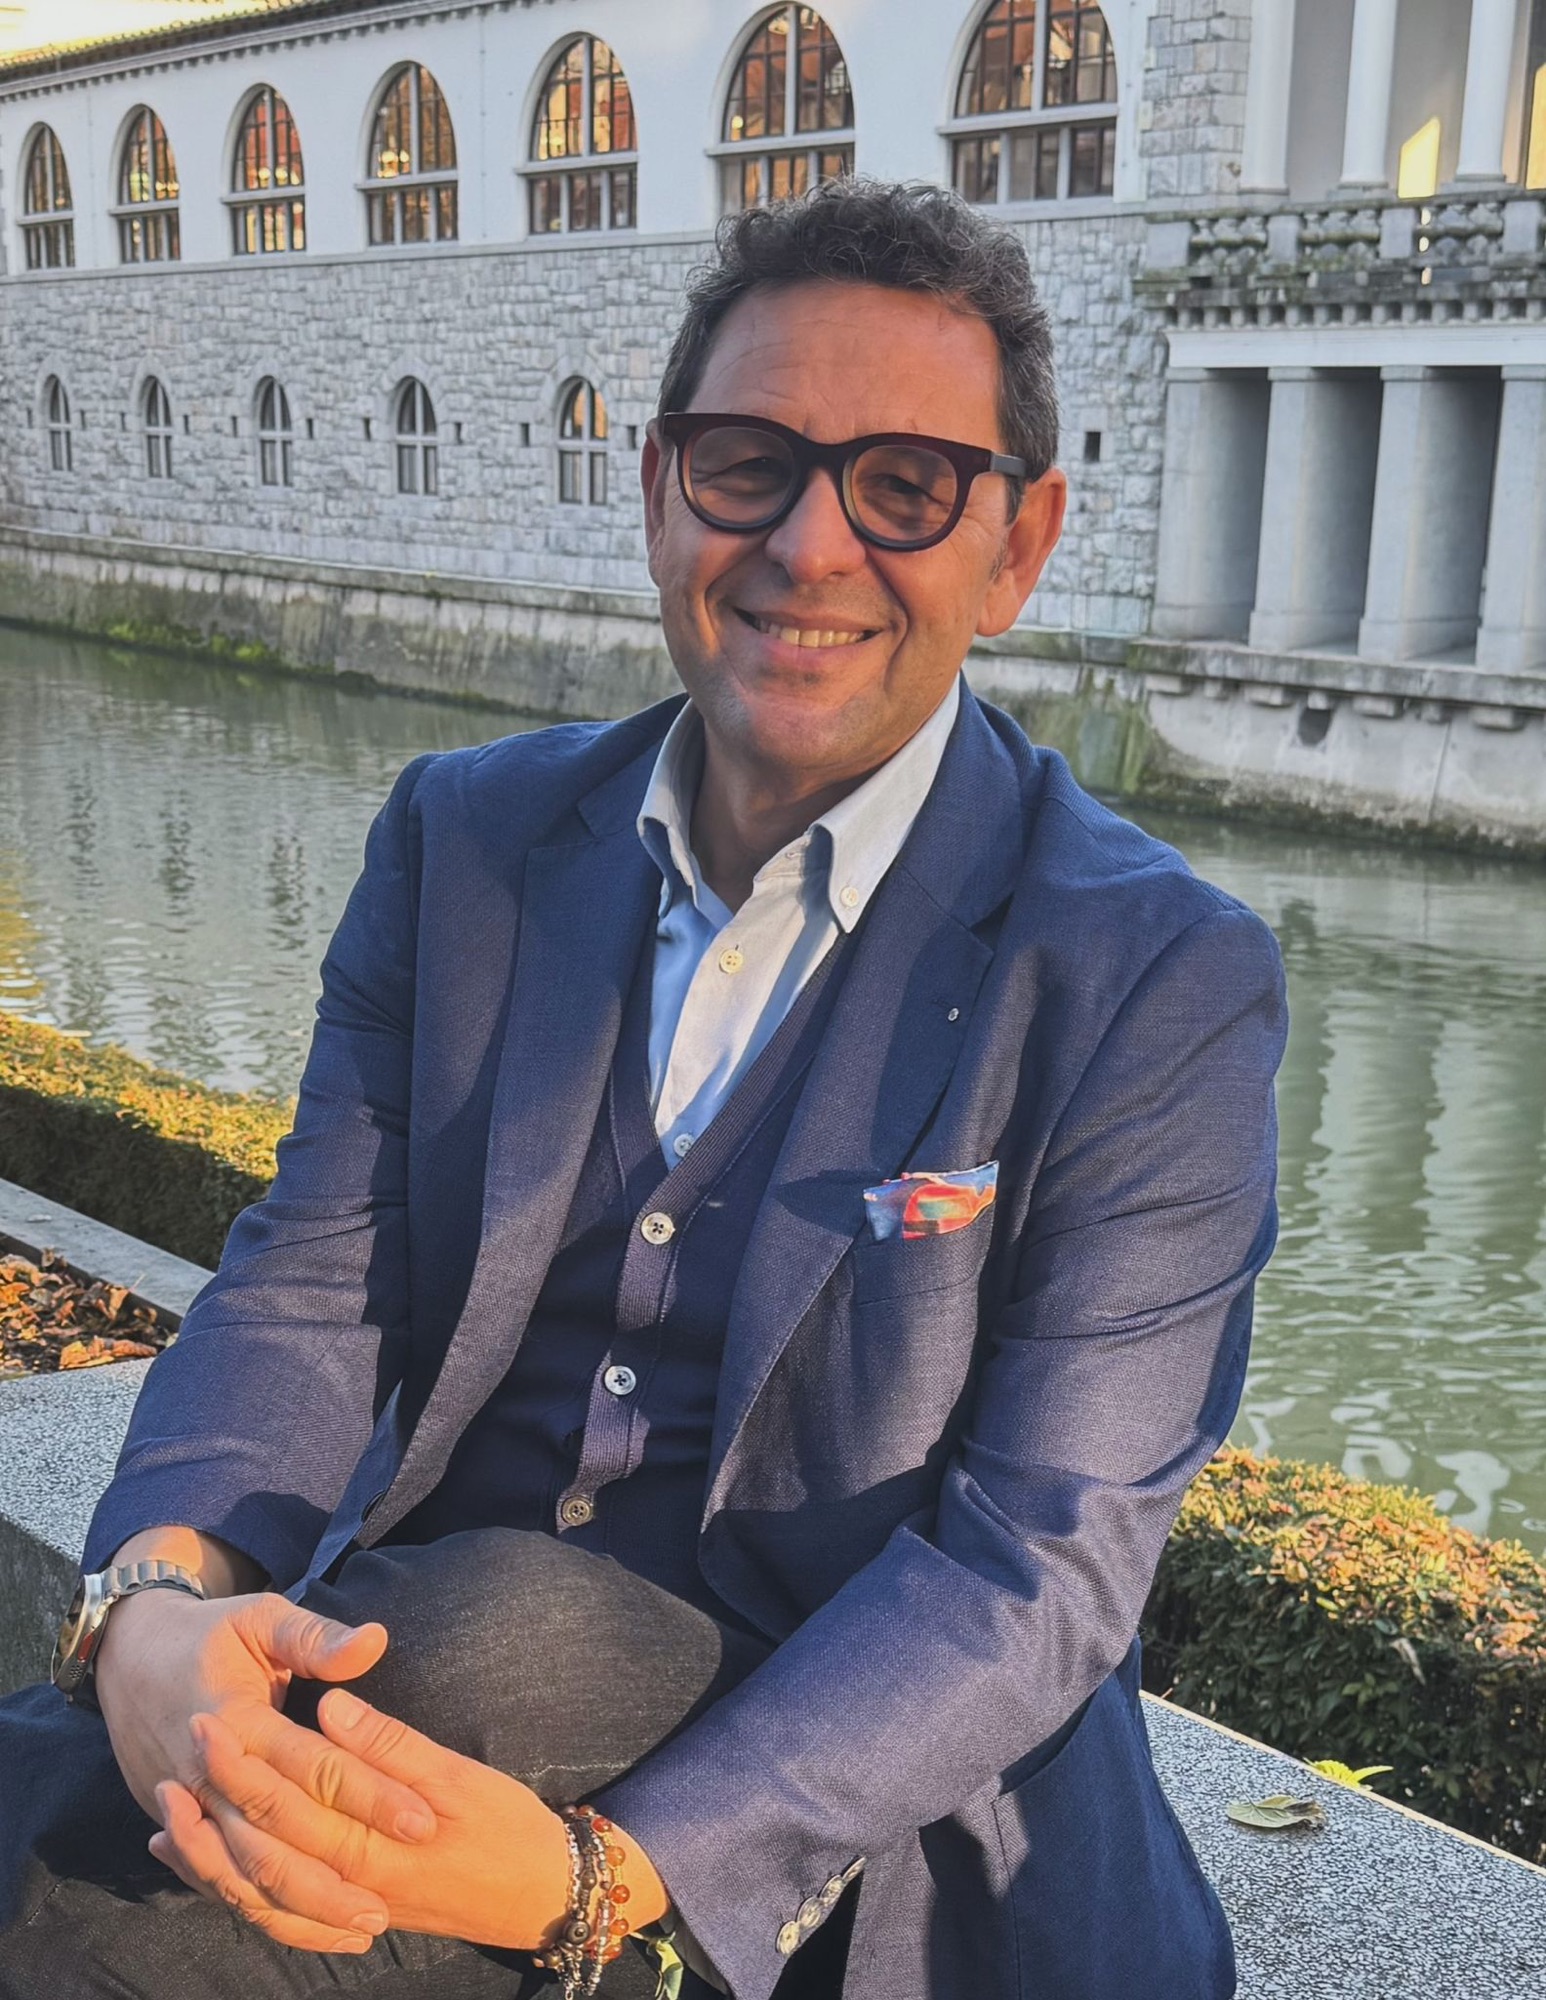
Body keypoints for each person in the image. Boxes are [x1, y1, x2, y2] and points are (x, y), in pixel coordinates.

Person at [0, 180, 1286, 2000]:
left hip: (836, 1816)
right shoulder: (467, 839)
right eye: (749, 464)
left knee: (102, 1878)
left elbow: (1042, 1564)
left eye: (906, 486)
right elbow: (312, 1282)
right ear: (662, 488)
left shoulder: (1153, 973)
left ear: (1018, 546)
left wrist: (601, 1879)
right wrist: (152, 1605)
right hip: (429, 1676)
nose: (811, 546)